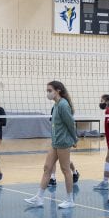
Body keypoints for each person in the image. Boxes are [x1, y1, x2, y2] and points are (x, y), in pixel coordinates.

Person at [26, 81, 78, 209]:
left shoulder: (63, 105)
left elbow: (71, 123)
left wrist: (74, 139)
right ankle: (39, 198)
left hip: (64, 142)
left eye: (49, 90)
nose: (48, 93)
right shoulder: (56, 105)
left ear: (58, 90)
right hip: (55, 141)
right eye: (47, 90)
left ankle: (70, 200)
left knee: (65, 170)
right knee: (47, 167)